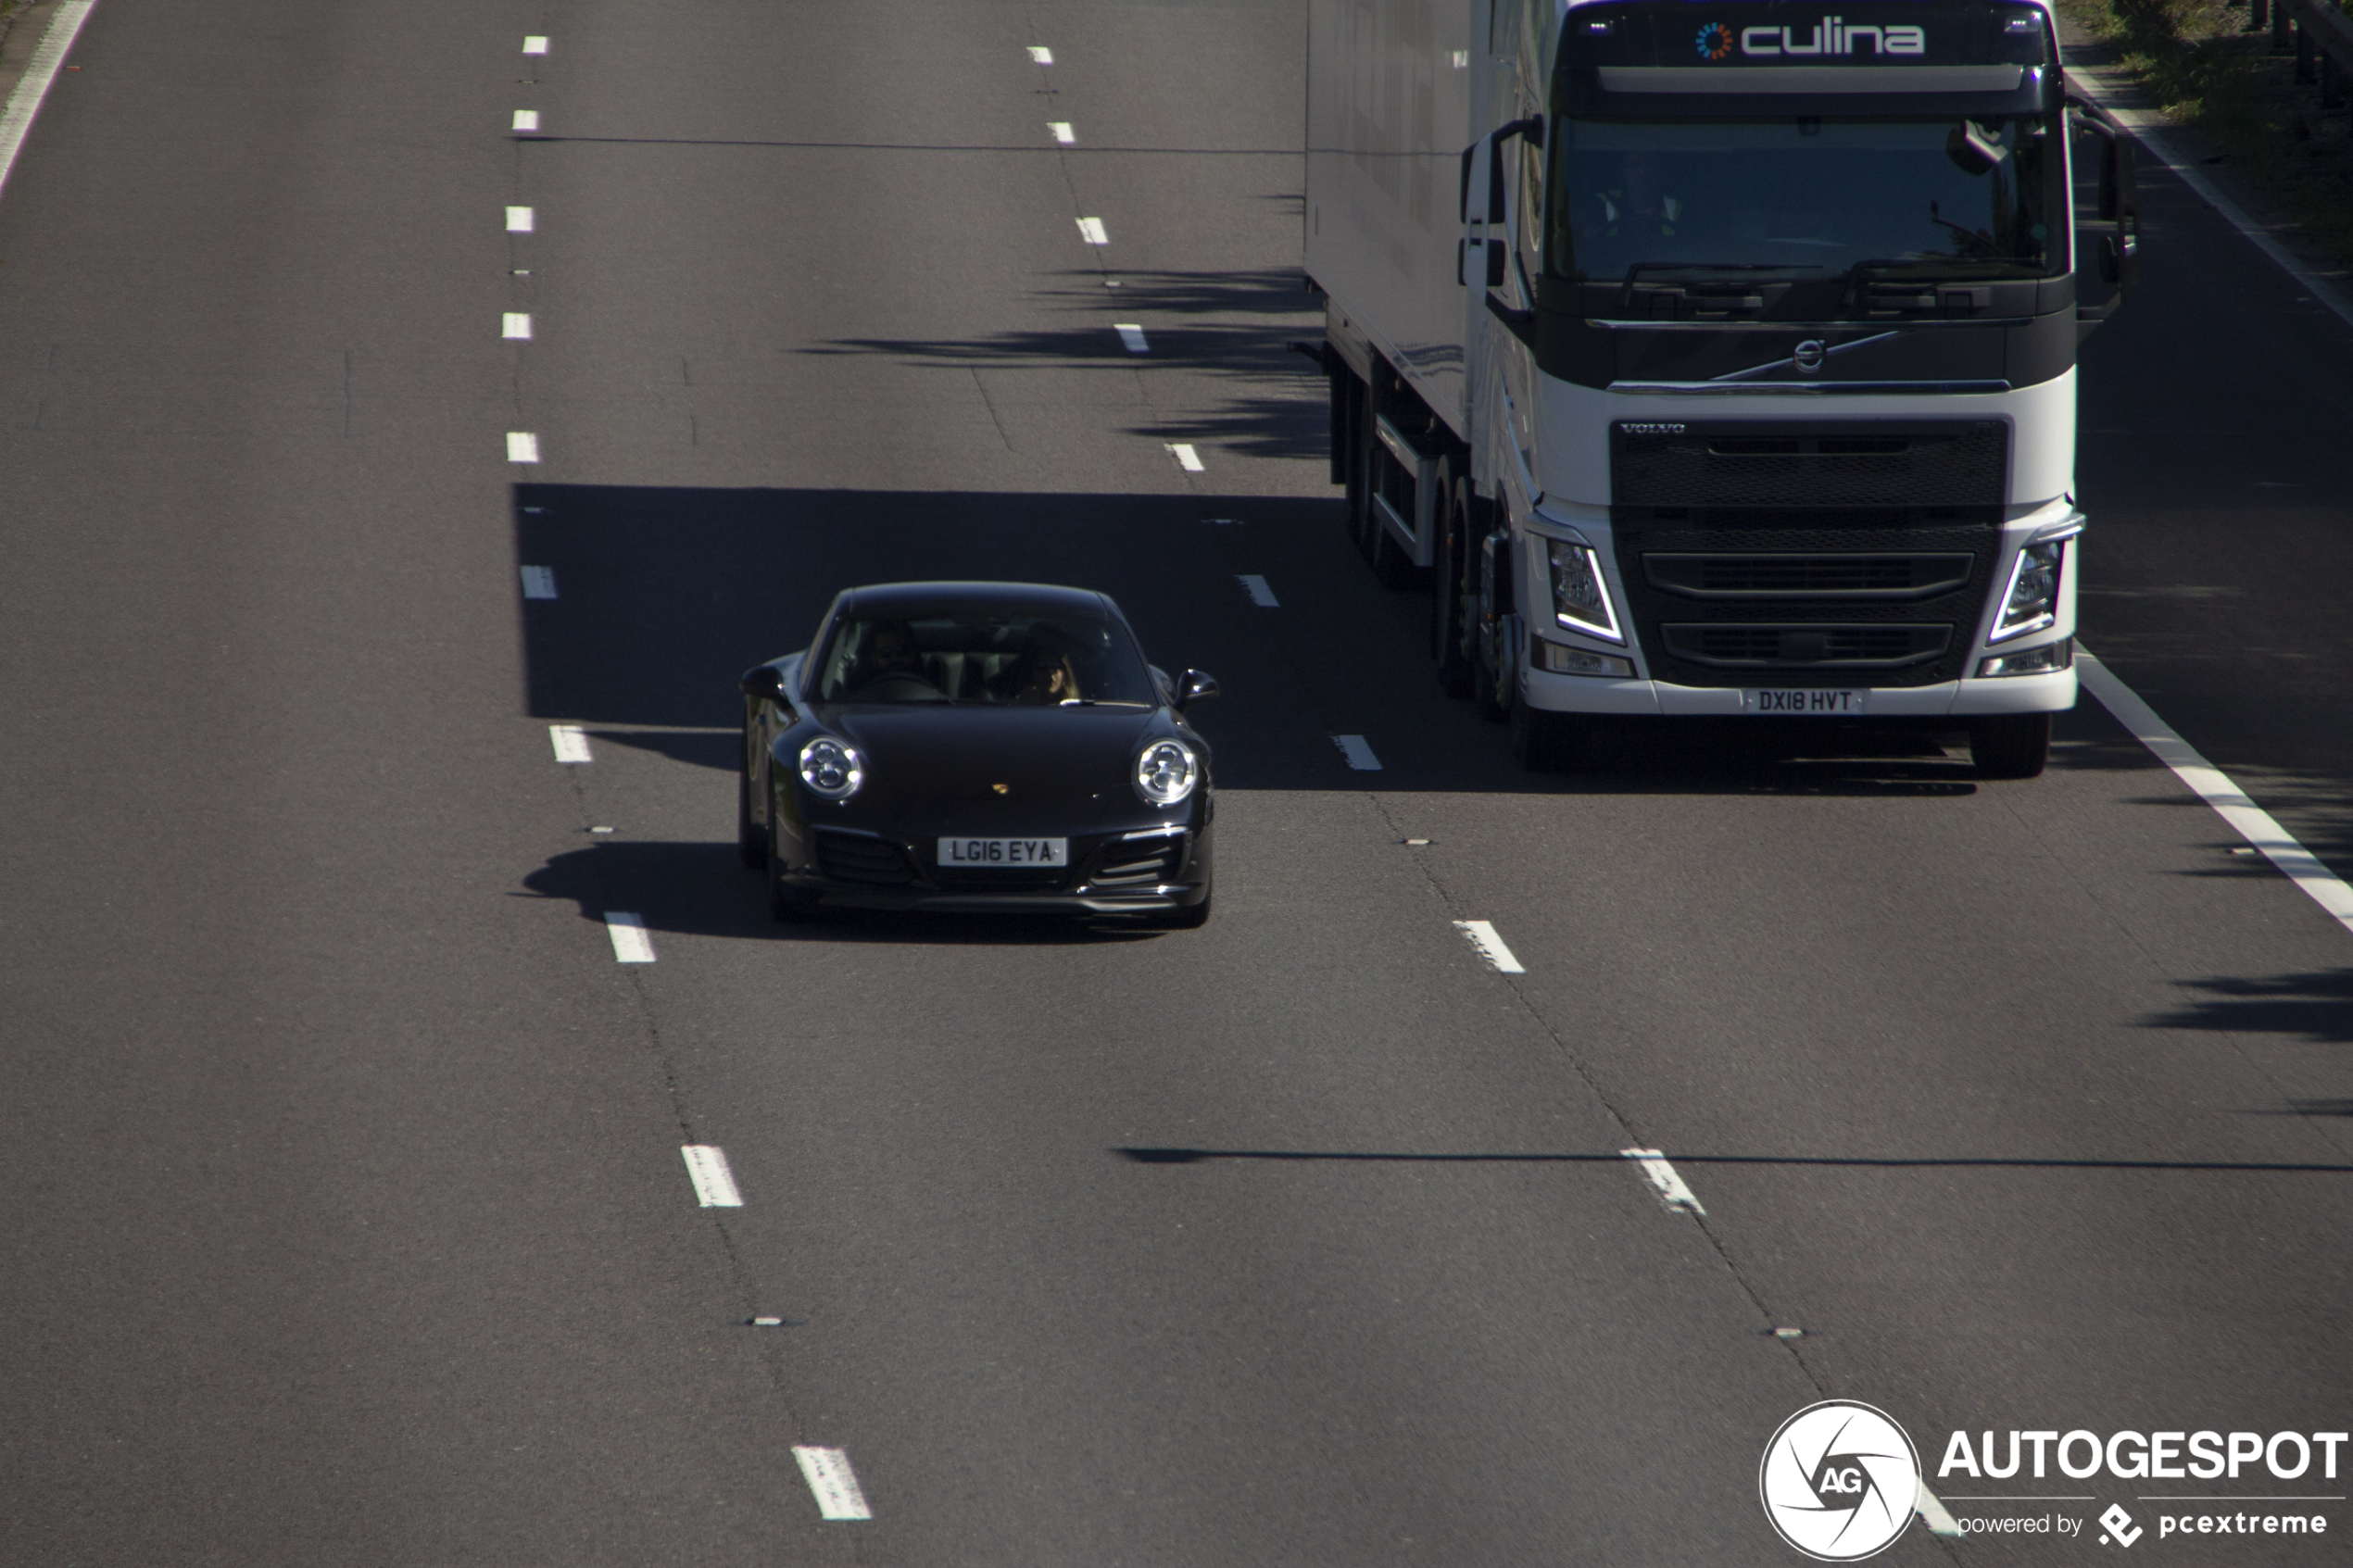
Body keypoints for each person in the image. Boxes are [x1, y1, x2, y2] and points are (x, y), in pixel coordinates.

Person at [1597, 151, 1683, 241]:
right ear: (1624, 171)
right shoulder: (1601, 203)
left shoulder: (1677, 208)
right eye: (1635, 165)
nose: (1643, 172)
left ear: (1658, 171)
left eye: (1650, 165)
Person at [996, 626, 1082, 705]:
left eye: (1055, 666)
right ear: (1031, 673)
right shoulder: (1012, 710)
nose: (1050, 672)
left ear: (1066, 674)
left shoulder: (1080, 712)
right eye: (1042, 666)